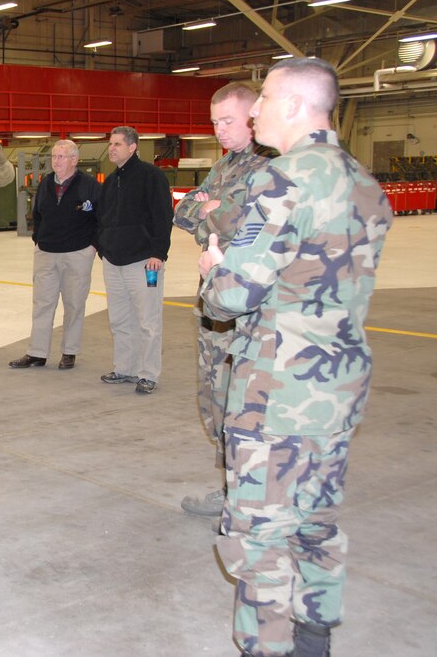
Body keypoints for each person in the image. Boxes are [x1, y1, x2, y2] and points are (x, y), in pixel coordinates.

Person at [199, 57, 393, 657]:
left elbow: (233, 296)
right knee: (315, 516)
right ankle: (316, 632)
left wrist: (214, 271)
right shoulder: (365, 182)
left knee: (259, 533)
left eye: (262, 100)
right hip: (338, 383)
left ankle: (271, 647)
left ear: (292, 106)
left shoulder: (282, 179)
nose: (253, 110)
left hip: (277, 392)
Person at [173, 83, 274, 518]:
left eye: (227, 120)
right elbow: (184, 211)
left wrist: (211, 208)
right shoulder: (225, 166)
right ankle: (231, 487)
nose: (219, 130)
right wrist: (209, 205)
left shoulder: (271, 166)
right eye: (214, 122)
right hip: (214, 301)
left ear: (253, 116)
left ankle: (251, 499)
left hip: (247, 304)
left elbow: (232, 222)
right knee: (214, 397)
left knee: (245, 404)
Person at [9, 139, 99, 371]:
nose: (56, 161)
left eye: (61, 157)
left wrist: (93, 246)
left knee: (74, 304)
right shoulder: (46, 183)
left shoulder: (89, 185)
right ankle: (37, 353)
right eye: (54, 157)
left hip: (77, 253)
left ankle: (69, 352)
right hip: (46, 253)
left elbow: (101, 217)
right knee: (42, 304)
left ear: (74, 160)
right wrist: (38, 240)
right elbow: (37, 213)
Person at [96, 126, 173, 394]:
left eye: (117, 144)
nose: (112, 148)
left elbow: (163, 216)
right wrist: (102, 247)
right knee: (119, 319)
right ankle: (124, 369)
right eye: (110, 144)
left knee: (148, 321)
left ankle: (148, 374)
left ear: (132, 147)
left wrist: (158, 253)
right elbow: (102, 218)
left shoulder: (151, 177)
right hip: (113, 262)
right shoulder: (110, 181)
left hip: (143, 262)